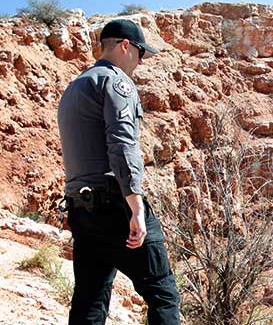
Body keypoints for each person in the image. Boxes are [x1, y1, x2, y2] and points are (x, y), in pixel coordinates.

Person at [57, 19, 180, 325]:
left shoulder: (75, 87)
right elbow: (122, 146)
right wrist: (136, 208)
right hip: (115, 207)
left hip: (81, 209)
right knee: (163, 292)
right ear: (126, 46)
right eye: (140, 53)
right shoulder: (116, 82)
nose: (140, 61)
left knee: (90, 300)